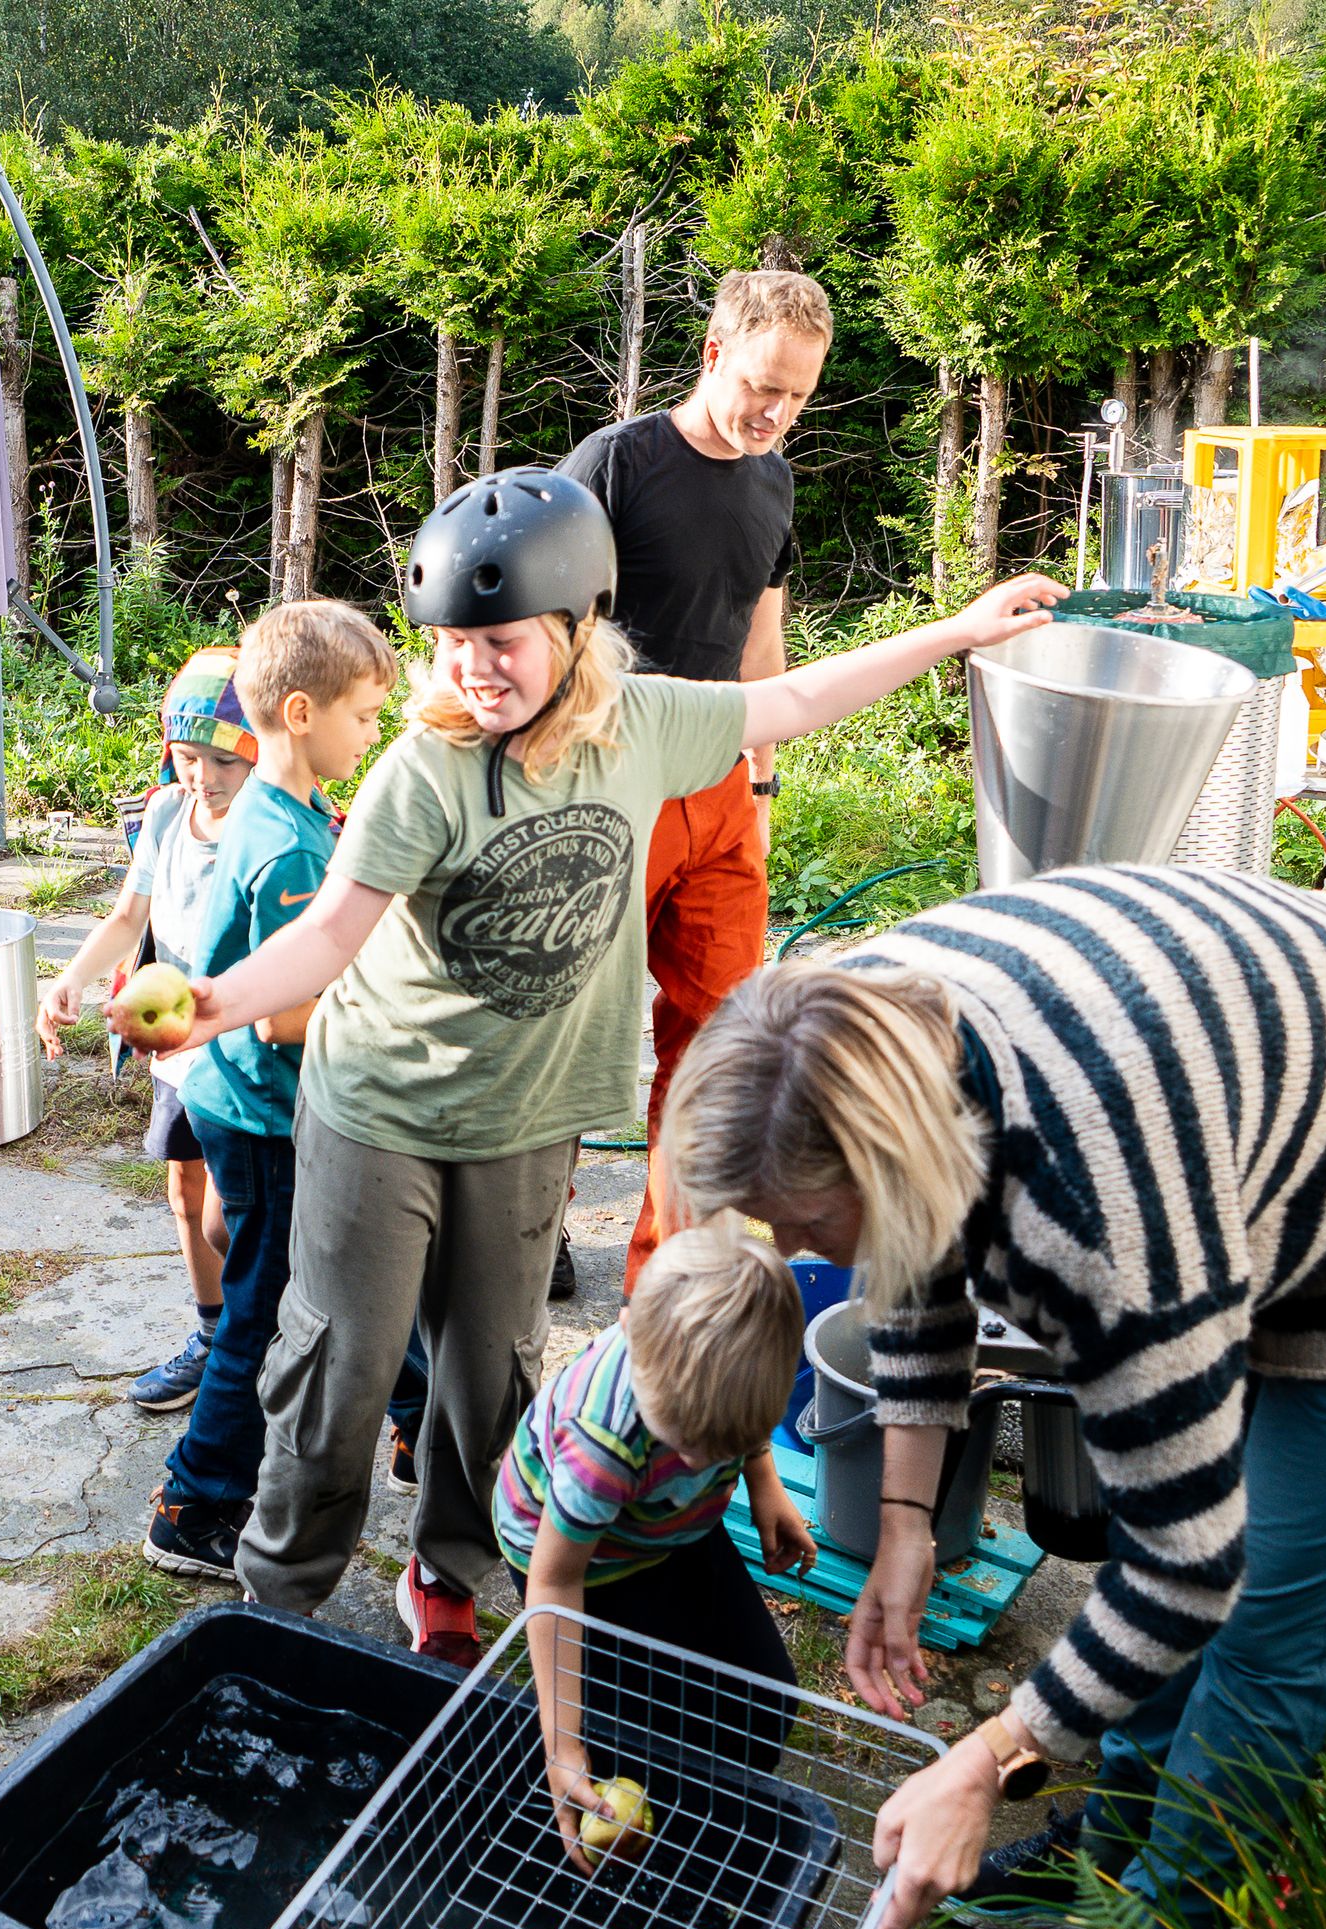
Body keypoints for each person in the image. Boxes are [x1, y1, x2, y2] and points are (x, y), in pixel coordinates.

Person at [110, 465, 1061, 1669]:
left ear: (573, 626)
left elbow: (807, 695)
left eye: (500, 641)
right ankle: (281, 1590)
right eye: (454, 644)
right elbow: (332, 931)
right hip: (381, 1109)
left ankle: (447, 1573)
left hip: (529, 1118)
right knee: (340, 1361)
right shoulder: (423, 768)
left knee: (490, 1369)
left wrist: (964, 630)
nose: (473, 669)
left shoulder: (647, 724)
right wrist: (212, 1005)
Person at [655, 871, 1326, 1929]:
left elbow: (1187, 1565)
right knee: (1167, 1512)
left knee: (1263, 1609)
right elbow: (915, 1258)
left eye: (796, 1221)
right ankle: (1111, 1843)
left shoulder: (1092, 1219)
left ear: (896, 1164)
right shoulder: (836, 1026)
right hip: (1233, 1121)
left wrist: (985, 1759)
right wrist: (902, 1519)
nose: (789, 1251)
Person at [560, 269, 832, 1301]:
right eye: (764, 384)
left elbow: (763, 641)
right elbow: (555, 638)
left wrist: (760, 791)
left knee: (717, 1047)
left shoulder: (775, 483)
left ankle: (663, 1286)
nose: (776, 412)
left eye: (798, 396)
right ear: (714, 353)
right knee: (564, 1032)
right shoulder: (615, 465)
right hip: (607, 782)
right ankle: (526, 1228)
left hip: (718, 789)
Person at [134, 602, 398, 1578]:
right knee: (262, 1308)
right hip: (262, 1104)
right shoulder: (286, 843)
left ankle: (405, 1415)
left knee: (319, 1276)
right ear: (300, 712)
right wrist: (381, 1009)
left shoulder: (261, 812)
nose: (373, 733)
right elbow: (283, 1009)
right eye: (365, 715)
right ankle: (195, 1503)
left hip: (225, 1093)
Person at [499, 1215, 818, 1864]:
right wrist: (562, 1740)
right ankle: (621, 1828)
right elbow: (555, 1581)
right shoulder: (604, 1443)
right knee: (634, 1731)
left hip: (666, 1527)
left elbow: (736, 1426)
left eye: (722, 1447)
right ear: (628, 1331)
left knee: (766, 1700)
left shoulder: (725, 1388)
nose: (704, 1461)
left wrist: (765, 1488)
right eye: (687, 1443)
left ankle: (706, 1810)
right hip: (578, 1562)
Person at [41, 649, 257, 1415]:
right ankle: (211, 1335)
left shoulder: (269, 825)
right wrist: (69, 978)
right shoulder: (167, 813)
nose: (205, 777)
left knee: (238, 1211)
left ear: (259, 746)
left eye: (224, 760)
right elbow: (131, 917)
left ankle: (262, 1331)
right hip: (174, 1042)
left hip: (242, 1040)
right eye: (189, 757)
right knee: (183, 1183)